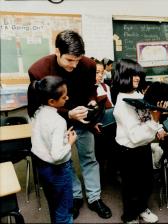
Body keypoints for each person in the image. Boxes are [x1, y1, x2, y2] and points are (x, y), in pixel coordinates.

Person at [28, 30, 112, 219]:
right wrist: (68, 114)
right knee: (65, 161)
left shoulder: (88, 64)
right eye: (69, 60)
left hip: (82, 119)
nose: (74, 65)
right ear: (57, 51)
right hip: (56, 121)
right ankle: (74, 195)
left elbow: (91, 90)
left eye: (77, 60)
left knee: (89, 158)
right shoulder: (38, 70)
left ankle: (94, 198)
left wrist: (91, 102)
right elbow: (43, 106)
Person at [112, 59, 167, 223]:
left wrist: (159, 127)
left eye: (138, 74)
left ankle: (142, 208)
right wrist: (154, 122)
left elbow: (148, 116)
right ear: (122, 76)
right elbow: (135, 136)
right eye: (132, 74)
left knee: (146, 182)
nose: (136, 78)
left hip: (143, 147)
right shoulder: (121, 104)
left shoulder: (138, 95)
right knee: (131, 187)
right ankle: (130, 216)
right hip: (129, 150)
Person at [27, 76, 77, 223]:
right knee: (64, 209)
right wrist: (69, 142)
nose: (67, 98)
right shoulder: (59, 121)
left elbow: (44, 138)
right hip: (58, 170)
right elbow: (56, 155)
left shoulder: (37, 111)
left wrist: (62, 138)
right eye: (64, 97)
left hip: (42, 167)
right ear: (52, 101)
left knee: (53, 204)